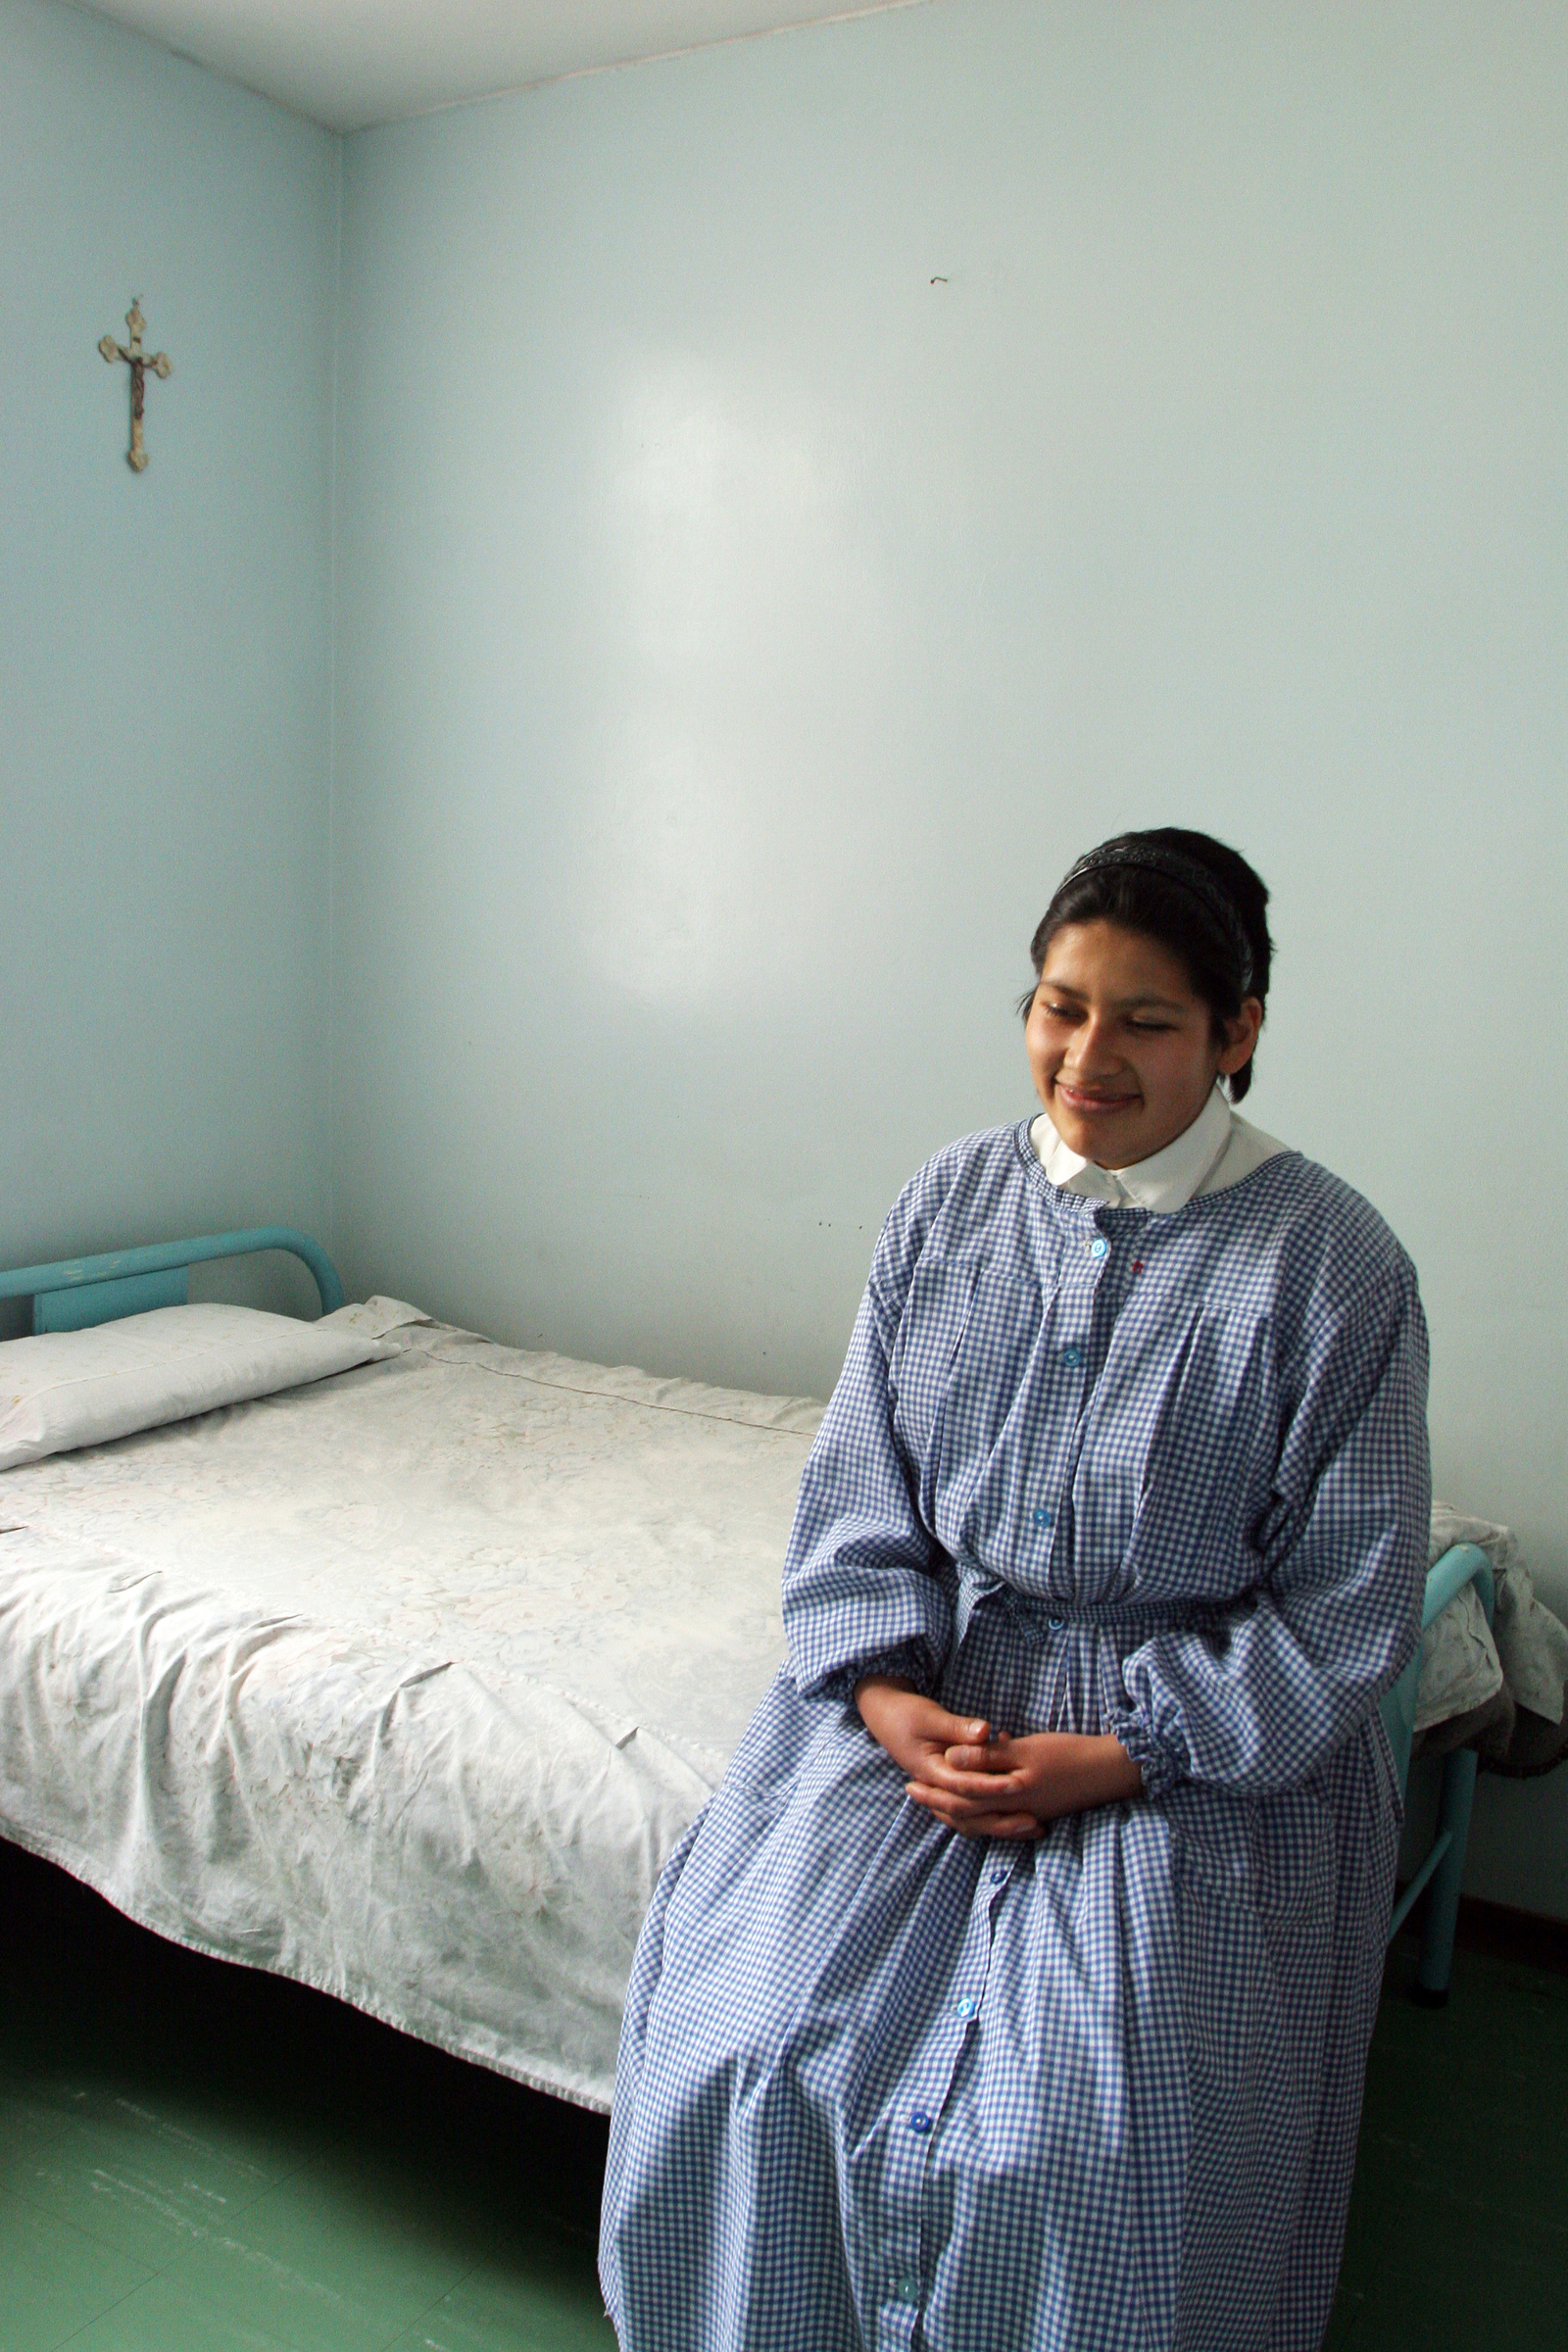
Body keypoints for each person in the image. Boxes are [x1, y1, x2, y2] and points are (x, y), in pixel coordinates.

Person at [600, 828, 1431, 2352]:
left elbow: (1344, 1611)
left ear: (1236, 1031)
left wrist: (1122, 1755)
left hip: (1191, 1749)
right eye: (1060, 1006)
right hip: (941, 1700)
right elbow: (861, 1493)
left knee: (1090, 2141)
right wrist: (884, 1692)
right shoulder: (949, 1205)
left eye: (1146, 1020)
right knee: (745, 2049)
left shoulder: (1334, 1267)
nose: (1088, 1057)